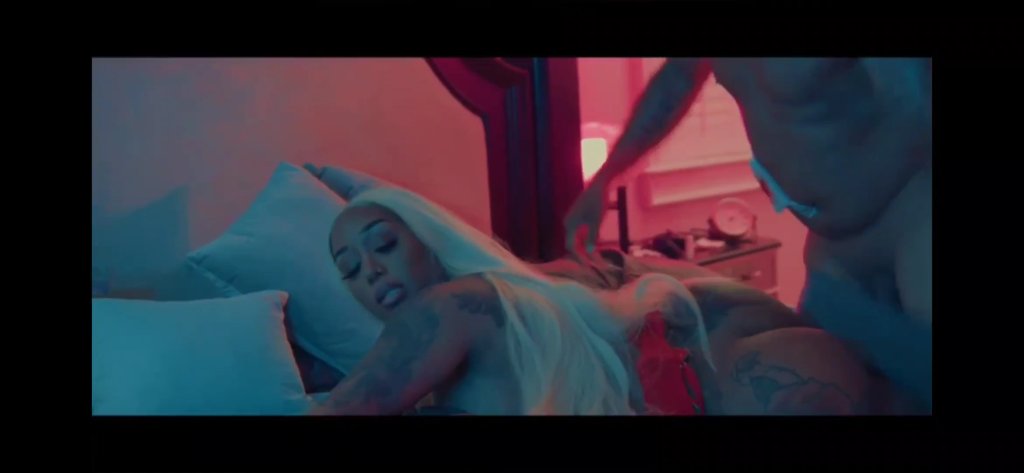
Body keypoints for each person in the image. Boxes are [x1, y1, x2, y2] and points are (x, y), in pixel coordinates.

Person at [303, 166, 891, 415]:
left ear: (430, 241)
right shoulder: (508, 297)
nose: (370, 272)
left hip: (747, 376)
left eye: (383, 245)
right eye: (348, 269)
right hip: (778, 363)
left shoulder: (446, 307)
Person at [562, 58, 931, 410]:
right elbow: (677, 79)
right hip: (833, 247)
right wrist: (607, 178)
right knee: (842, 390)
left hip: (910, 223)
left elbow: (915, 97)